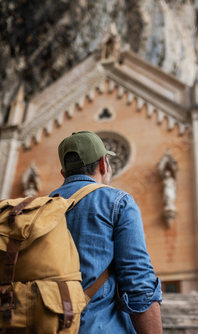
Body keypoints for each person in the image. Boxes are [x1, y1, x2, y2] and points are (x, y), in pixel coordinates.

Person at [50, 131, 162, 333]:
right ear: (104, 164)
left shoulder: (39, 208)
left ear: (64, 174)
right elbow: (138, 283)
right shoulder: (117, 202)